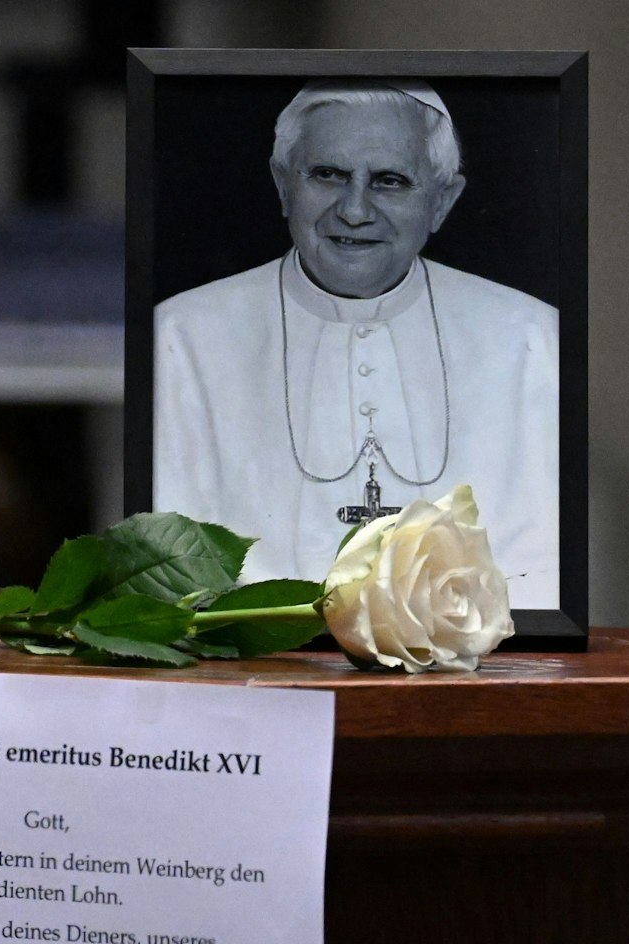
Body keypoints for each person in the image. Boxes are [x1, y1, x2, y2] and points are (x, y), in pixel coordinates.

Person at [154, 79, 560, 607]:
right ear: (283, 184)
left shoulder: (528, 335)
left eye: (390, 181)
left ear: (442, 201)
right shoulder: (182, 335)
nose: (353, 210)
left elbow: (541, 571)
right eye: (328, 175)